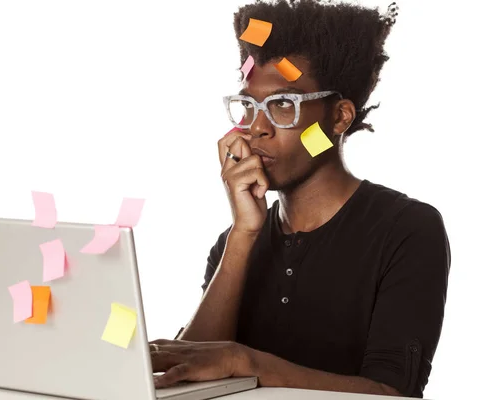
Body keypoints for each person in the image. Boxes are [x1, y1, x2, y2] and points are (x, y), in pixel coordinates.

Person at [150, 0, 450, 398]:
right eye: (250, 106)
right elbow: (187, 371)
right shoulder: (233, 243)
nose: (258, 129)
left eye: (282, 105)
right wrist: (242, 234)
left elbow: (393, 392)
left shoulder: (406, 230)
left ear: (340, 117)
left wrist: (247, 362)